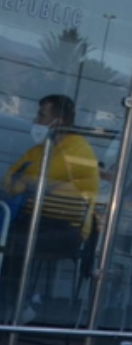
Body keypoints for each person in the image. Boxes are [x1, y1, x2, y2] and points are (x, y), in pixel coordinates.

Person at [2, 95, 99, 321]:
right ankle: (12, 306)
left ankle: (15, 308)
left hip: (66, 229)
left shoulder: (76, 150)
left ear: (58, 120)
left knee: (14, 244)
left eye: (41, 115)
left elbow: (39, 177)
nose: (36, 119)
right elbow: (9, 181)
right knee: (8, 238)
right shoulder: (41, 149)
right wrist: (26, 182)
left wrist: (26, 181)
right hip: (32, 221)